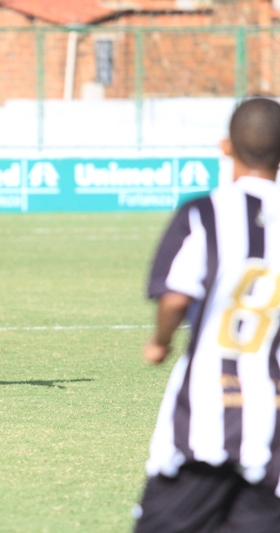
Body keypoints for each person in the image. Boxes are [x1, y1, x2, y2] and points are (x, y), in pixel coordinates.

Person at [134, 97, 280, 532]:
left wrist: (160, 342)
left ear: (225, 146)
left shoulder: (202, 214)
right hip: (271, 420)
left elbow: (176, 298)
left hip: (203, 415)